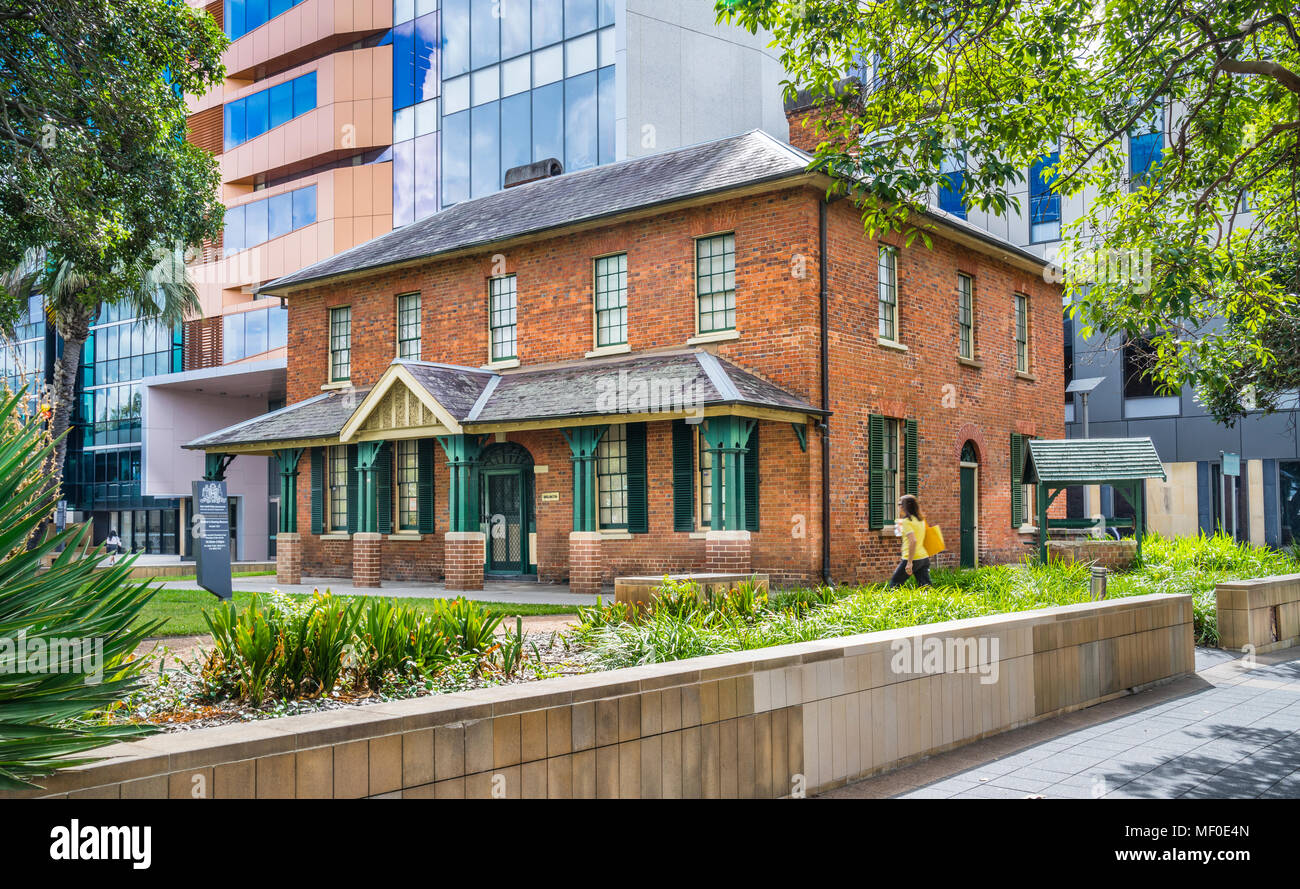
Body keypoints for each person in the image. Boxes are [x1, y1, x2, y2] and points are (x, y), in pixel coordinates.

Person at [888, 494, 932, 588]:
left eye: (900, 504)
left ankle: (894, 603)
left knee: (894, 584)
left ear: (905, 506)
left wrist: (909, 562)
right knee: (926, 587)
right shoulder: (921, 520)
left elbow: (913, 541)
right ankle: (934, 602)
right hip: (923, 557)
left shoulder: (906, 521)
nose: (899, 506)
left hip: (912, 558)